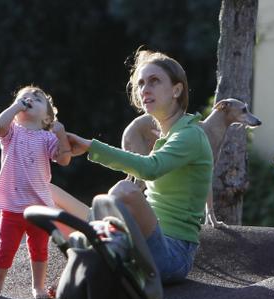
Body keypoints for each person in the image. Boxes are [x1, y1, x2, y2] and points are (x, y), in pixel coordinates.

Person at [66, 49, 214, 284]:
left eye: (155, 81)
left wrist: (89, 147)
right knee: (112, 197)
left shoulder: (190, 135)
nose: (145, 89)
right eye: (141, 83)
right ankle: (86, 260)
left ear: (177, 90)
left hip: (174, 254)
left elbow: (150, 168)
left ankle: (87, 258)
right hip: (148, 241)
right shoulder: (167, 136)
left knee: (124, 191)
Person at [0, 86, 72, 299]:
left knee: (40, 250)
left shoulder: (47, 138)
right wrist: (15, 106)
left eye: (37, 98)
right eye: (24, 97)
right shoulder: (12, 133)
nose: (29, 99)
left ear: (46, 118)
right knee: (5, 248)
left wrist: (61, 135)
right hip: (12, 205)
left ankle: (38, 287)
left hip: (39, 206)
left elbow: (64, 159)